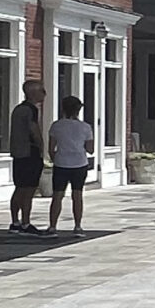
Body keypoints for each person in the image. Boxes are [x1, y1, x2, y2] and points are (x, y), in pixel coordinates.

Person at [44, 94, 95, 234]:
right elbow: (90, 149)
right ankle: (77, 226)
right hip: (79, 163)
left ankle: (53, 226)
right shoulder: (85, 127)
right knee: (77, 195)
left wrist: (57, 158)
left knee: (57, 195)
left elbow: (51, 148)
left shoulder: (56, 126)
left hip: (61, 163)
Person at [7, 78, 47, 234]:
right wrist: (41, 146)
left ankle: (15, 221)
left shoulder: (18, 109)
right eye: (42, 91)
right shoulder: (31, 110)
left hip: (18, 153)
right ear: (33, 93)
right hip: (29, 152)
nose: (44, 94)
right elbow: (33, 130)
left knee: (19, 188)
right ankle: (25, 222)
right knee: (29, 189)